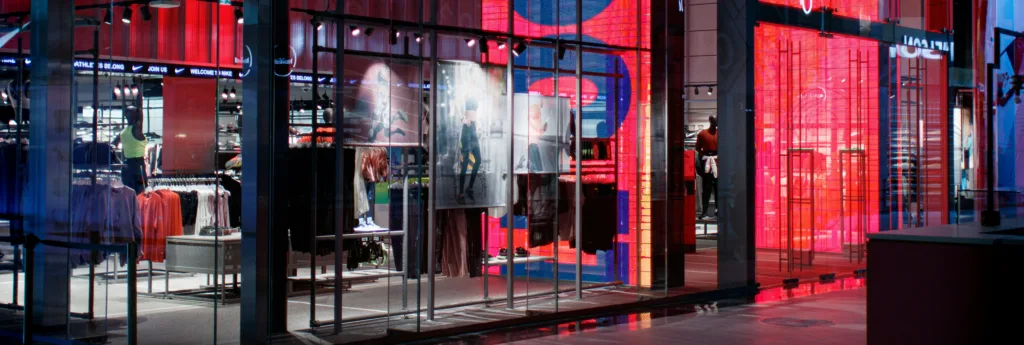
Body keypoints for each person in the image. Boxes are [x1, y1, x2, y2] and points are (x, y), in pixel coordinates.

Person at [114, 106, 147, 194]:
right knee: (141, 195)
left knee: (127, 195)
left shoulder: (122, 133)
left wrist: (119, 162)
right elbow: (140, 119)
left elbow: (111, 146)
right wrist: (139, 111)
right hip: (138, 165)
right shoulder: (136, 129)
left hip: (126, 165)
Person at [457, 98, 481, 204]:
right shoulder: (465, 92)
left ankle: (469, 187)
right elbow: (455, 103)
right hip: (466, 130)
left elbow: (476, 111)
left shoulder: (476, 91)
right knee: (465, 163)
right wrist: (462, 119)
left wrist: (477, 125)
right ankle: (461, 192)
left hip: (473, 129)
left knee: (478, 160)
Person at [695, 115, 718, 219]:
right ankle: (704, 211)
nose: (715, 124)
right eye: (713, 121)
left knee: (718, 188)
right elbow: (698, 148)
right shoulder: (702, 134)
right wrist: (705, 156)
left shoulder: (721, 134)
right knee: (707, 188)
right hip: (707, 163)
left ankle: (718, 211)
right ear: (710, 122)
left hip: (718, 162)